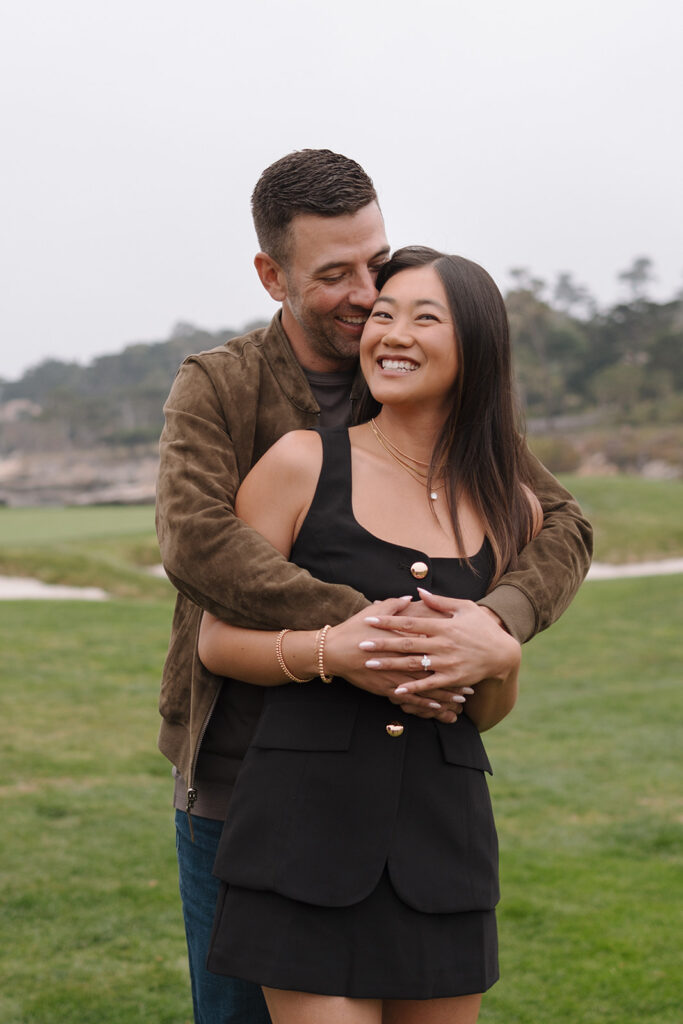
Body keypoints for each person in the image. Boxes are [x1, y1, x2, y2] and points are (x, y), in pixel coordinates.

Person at [155, 150, 592, 1024]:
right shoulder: (223, 387)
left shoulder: (425, 389)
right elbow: (199, 545)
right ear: (270, 276)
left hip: (422, 786)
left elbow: (563, 523)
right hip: (246, 765)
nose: (366, 294)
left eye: (377, 264)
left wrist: (491, 628)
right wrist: (373, 635)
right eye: (336, 275)